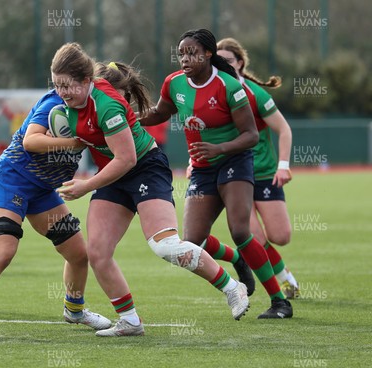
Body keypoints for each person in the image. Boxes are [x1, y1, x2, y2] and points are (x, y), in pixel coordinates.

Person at [49, 44, 250, 338]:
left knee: (165, 246)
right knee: (98, 252)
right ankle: (129, 320)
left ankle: (232, 287)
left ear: (85, 80)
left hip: (144, 167)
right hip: (113, 177)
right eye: (56, 86)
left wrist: (86, 186)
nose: (61, 92)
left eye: (67, 86)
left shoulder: (107, 105)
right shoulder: (63, 104)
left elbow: (127, 159)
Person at [141, 29, 293, 319]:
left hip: (235, 161)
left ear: (208, 54)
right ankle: (239, 260)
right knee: (192, 240)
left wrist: (219, 148)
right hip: (202, 168)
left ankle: (279, 302)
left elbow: (251, 135)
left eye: (192, 52)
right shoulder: (174, 83)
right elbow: (160, 113)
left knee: (239, 230)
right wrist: (131, 116)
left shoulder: (229, 86)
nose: (185, 58)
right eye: (181, 53)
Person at [0, 89, 112, 341]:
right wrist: (75, 142)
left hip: (41, 190)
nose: (63, 88)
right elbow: (30, 141)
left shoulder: (96, 110)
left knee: (78, 253)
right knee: (3, 252)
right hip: (10, 181)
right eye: (59, 82)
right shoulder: (53, 103)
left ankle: (74, 310)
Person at [196, 38, 299, 298]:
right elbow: (200, 131)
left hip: (262, 173)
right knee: (252, 235)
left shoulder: (255, 93)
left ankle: (280, 272)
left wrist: (283, 166)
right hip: (232, 174)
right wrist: (193, 163)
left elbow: (284, 129)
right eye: (217, 60)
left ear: (240, 63)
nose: (222, 65)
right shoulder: (212, 90)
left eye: (228, 60)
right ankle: (284, 282)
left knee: (281, 235)